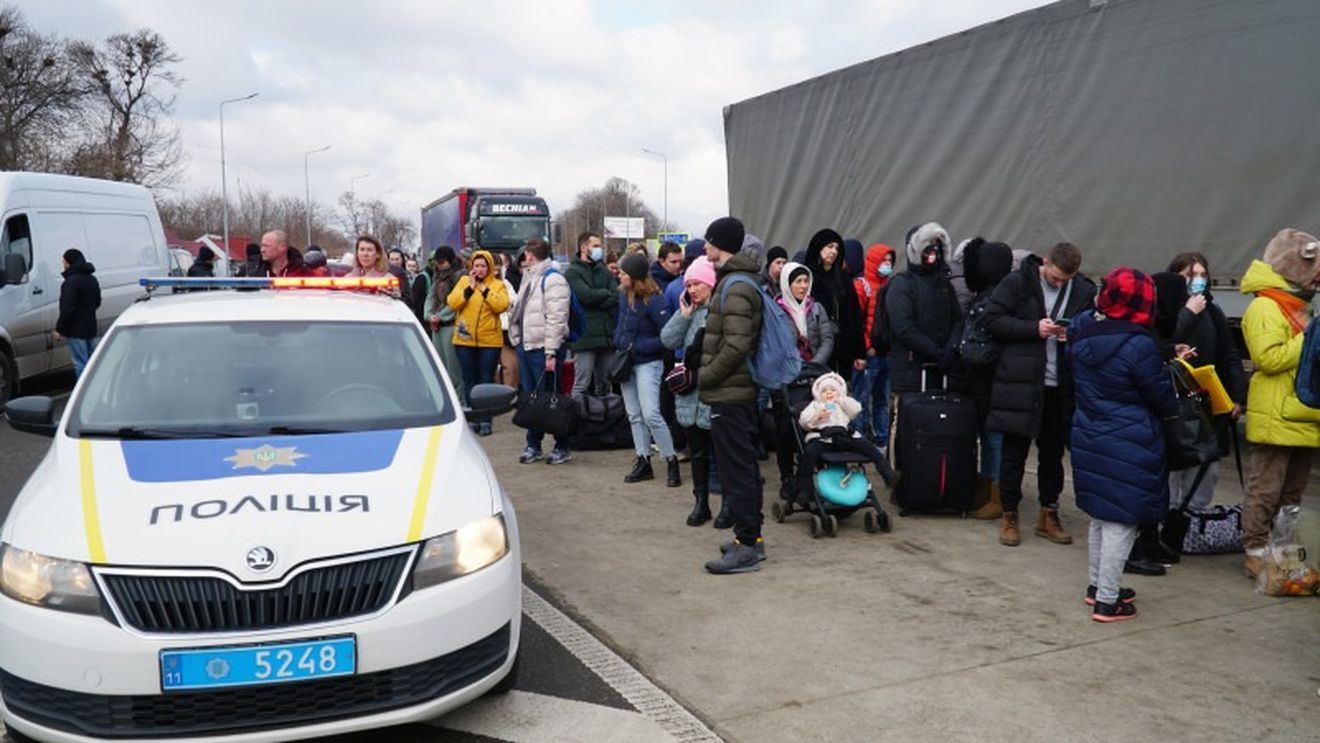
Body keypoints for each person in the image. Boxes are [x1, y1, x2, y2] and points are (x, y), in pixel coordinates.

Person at [1070, 267, 1176, 622]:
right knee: (1122, 522)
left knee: (1101, 515)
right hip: (1130, 440)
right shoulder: (1139, 344)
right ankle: (1108, 600)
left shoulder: (1083, 335)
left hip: (1090, 434)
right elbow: (1163, 399)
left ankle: (1097, 586)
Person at [983, 241, 1096, 547]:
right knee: (1013, 453)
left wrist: (1069, 333)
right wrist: (1034, 328)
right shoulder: (1018, 281)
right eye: (1055, 277)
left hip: (1059, 384)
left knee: (1053, 454)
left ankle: (1049, 513)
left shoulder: (1083, 291)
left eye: (1065, 280)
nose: (1059, 284)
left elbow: (1092, 329)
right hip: (1019, 381)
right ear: (1045, 262)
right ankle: (1009, 514)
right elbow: (992, 319)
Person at [1238, 228, 1320, 580]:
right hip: (1275, 416)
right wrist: (1311, 339)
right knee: (1265, 489)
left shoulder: (1300, 307)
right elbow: (1268, 358)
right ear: (1293, 265)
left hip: (1303, 413)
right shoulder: (1265, 306)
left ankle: (1285, 550)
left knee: (1292, 493)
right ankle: (1255, 550)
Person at [698, 217, 767, 574]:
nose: (704, 247)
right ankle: (751, 539)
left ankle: (746, 546)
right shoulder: (739, 281)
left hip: (731, 392)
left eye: (708, 241)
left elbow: (737, 344)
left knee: (736, 470)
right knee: (742, 467)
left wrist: (705, 377)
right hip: (735, 391)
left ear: (719, 243)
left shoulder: (737, 286)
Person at [1164, 254, 1249, 510]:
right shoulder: (1167, 308)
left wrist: (1238, 396)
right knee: (1172, 466)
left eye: (1202, 275)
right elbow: (1167, 340)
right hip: (1172, 402)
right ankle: (1165, 520)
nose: (1198, 281)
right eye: (1191, 275)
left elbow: (1229, 354)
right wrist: (1189, 312)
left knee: (1205, 467)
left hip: (1206, 402)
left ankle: (1192, 520)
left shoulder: (1212, 311)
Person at [959, 239, 1015, 520]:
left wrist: (967, 352)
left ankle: (997, 493)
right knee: (987, 435)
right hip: (984, 379)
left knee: (994, 437)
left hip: (993, 378)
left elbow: (980, 343)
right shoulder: (990, 295)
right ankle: (986, 488)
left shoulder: (995, 298)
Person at [614, 252, 679, 486]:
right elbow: (620, 326)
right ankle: (643, 460)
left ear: (634, 276)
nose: (619, 276)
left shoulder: (656, 300)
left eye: (623, 273)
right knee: (634, 414)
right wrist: (619, 343)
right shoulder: (623, 296)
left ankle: (671, 460)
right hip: (627, 362)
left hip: (648, 363)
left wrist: (637, 346)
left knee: (651, 413)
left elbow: (668, 338)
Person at [662, 257, 718, 525]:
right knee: (697, 453)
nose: (693, 290)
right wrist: (682, 315)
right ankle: (701, 502)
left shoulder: (719, 312)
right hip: (690, 397)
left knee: (720, 453)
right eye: (689, 285)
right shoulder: (690, 312)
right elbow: (669, 339)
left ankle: (728, 504)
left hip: (711, 392)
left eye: (697, 284)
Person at [509, 238, 573, 465]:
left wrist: (551, 352)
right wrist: (517, 339)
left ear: (530, 255)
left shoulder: (553, 279)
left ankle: (562, 445)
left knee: (551, 398)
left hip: (543, 349)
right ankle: (533, 444)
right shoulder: (530, 277)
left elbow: (557, 318)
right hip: (527, 346)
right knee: (532, 400)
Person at [885, 222, 963, 395]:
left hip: (943, 372)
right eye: (928, 247)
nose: (933, 253)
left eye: (936, 247)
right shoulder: (902, 284)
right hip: (912, 373)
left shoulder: (944, 284)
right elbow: (904, 328)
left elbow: (958, 320)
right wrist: (937, 353)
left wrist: (951, 349)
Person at [793, 372, 896, 502]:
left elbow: (856, 409)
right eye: (824, 391)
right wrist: (817, 417)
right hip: (823, 438)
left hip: (844, 437)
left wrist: (841, 399)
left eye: (833, 390)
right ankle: (804, 489)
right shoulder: (815, 406)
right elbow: (803, 421)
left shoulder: (842, 404)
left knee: (866, 445)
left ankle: (887, 472)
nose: (829, 393)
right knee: (808, 453)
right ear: (818, 394)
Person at [448, 250, 510, 436]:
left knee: (485, 381)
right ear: (471, 267)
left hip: (489, 341)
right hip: (465, 340)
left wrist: (484, 290)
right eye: (476, 266)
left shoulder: (498, 285)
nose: (480, 269)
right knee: (469, 381)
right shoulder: (463, 282)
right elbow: (452, 302)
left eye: (483, 266)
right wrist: (469, 289)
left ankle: (485, 420)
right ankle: (473, 418)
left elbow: (501, 305)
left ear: (490, 268)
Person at [564, 231, 619, 398]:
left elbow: (616, 295)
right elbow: (585, 296)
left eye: (600, 246)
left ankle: (603, 420)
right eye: (595, 246)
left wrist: (598, 297)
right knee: (582, 384)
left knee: (605, 384)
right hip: (584, 336)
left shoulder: (604, 270)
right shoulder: (572, 272)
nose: (599, 250)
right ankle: (576, 421)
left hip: (605, 335)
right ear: (583, 247)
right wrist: (604, 294)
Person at [803, 229, 865, 377]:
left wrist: (859, 352)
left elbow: (855, 315)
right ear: (819, 247)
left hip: (843, 347)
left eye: (837, 248)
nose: (834, 251)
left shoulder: (843, 278)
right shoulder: (807, 277)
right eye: (829, 246)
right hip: (816, 346)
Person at [853, 243, 896, 449]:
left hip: (886, 353)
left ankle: (882, 440)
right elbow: (855, 321)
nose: (887, 264)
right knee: (861, 400)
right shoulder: (862, 286)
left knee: (882, 400)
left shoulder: (892, 285)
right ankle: (860, 440)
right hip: (869, 354)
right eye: (884, 260)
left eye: (889, 261)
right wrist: (864, 347)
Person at [55, 248, 101, 379]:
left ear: (69, 263)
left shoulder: (70, 282)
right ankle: (94, 390)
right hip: (90, 327)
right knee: (92, 363)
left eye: (64, 262)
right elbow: (97, 302)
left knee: (80, 363)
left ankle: (83, 395)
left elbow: (67, 308)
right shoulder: (92, 279)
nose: (63, 265)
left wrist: (60, 329)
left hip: (75, 330)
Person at [425, 246, 464, 393]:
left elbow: (458, 302)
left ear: (450, 261)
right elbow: (431, 297)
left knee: (454, 370)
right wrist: (429, 315)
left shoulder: (460, 276)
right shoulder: (437, 275)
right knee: (440, 367)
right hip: (437, 325)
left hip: (452, 325)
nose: (439, 265)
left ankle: (459, 400)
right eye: (437, 263)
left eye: (442, 262)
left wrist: (439, 316)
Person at [405, 256, 430, 322]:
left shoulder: (421, 278)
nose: (411, 268)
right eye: (409, 266)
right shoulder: (404, 278)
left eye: (413, 266)